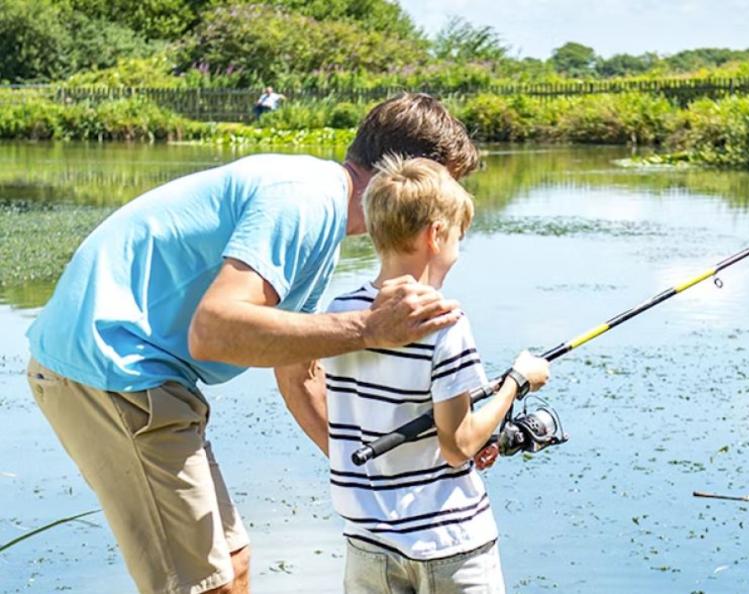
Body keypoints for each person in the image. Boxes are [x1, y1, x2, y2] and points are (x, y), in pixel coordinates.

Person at [24, 93, 480, 594]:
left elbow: (297, 373)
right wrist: (371, 329)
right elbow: (214, 329)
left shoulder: (320, 215)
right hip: (112, 369)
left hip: (141, 373)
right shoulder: (304, 200)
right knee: (202, 585)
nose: (452, 218)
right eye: (448, 190)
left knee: (233, 563)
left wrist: (380, 468)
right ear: (406, 178)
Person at [321, 156, 550, 593]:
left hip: (368, 542)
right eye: (459, 237)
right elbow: (458, 445)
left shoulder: (341, 314)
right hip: (450, 543)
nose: (458, 251)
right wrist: (517, 382)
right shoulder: (444, 322)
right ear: (436, 234)